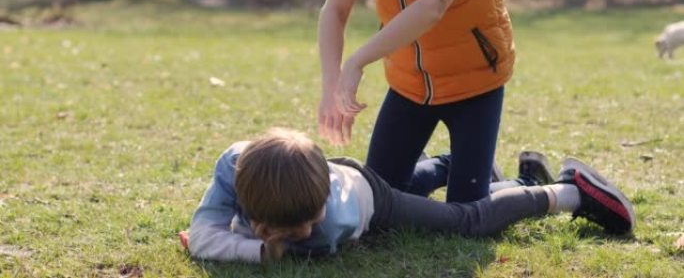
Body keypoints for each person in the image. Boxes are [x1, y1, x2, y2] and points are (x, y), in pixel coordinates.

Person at [318, 0, 516, 204]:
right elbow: (335, 10)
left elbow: (432, 6)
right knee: (380, 200)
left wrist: (357, 61)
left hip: (473, 85)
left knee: (467, 210)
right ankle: (450, 165)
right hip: (408, 86)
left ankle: (530, 181)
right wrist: (331, 84)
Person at [183, 128, 635, 263]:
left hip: (368, 198)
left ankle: (571, 191)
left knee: (463, 220)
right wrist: (255, 245)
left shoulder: (331, 224)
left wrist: (258, 247)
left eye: (309, 222)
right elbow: (203, 232)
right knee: (415, 189)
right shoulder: (233, 165)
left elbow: (207, 238)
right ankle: (472, 170)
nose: (307, 232)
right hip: (329, 174)